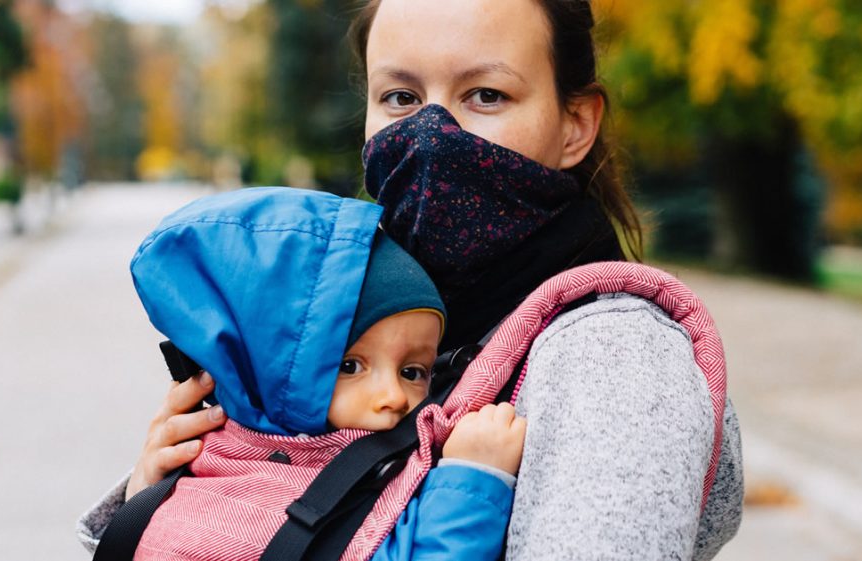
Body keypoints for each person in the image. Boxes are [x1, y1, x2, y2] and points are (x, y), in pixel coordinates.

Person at [79, 1, 744, 559]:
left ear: (575, 125)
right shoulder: (362, 304)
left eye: (485, 94)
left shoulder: (614, 359)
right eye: (400, 97)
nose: (430, 134)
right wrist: (168, 496)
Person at [124, 187, 525, 560]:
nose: (394, 396)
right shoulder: (211, 509)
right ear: (265, 371)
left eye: (413, 371)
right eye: (350, 366)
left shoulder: (389, 456)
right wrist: (472, 482)